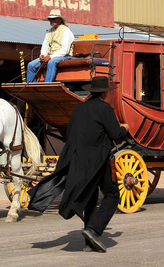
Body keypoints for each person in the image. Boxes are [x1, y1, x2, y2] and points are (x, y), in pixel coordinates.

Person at [28, 76, 129, 253]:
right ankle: (94, 230)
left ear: (91, 91)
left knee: (90, 198)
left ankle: (89, 243)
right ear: (105, 93)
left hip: (78, 160)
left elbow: (71, 135)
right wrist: (124, 129)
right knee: (112, 195)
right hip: (98, 160)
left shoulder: (78, 109)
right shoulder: (105, 108)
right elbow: (115, 134)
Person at [27, 9, 74, 83]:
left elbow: (65, 50)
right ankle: (30, 86)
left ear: (59, 19)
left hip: (64, 55)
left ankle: (46, 84)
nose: (51, 21)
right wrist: (43, 55)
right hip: (50, 55)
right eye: (50, 19)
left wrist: (50, 57)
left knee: (51, 62)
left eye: (53, 19)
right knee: (31, 65)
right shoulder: (49, 32)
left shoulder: (66, 31)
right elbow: (45, 46)